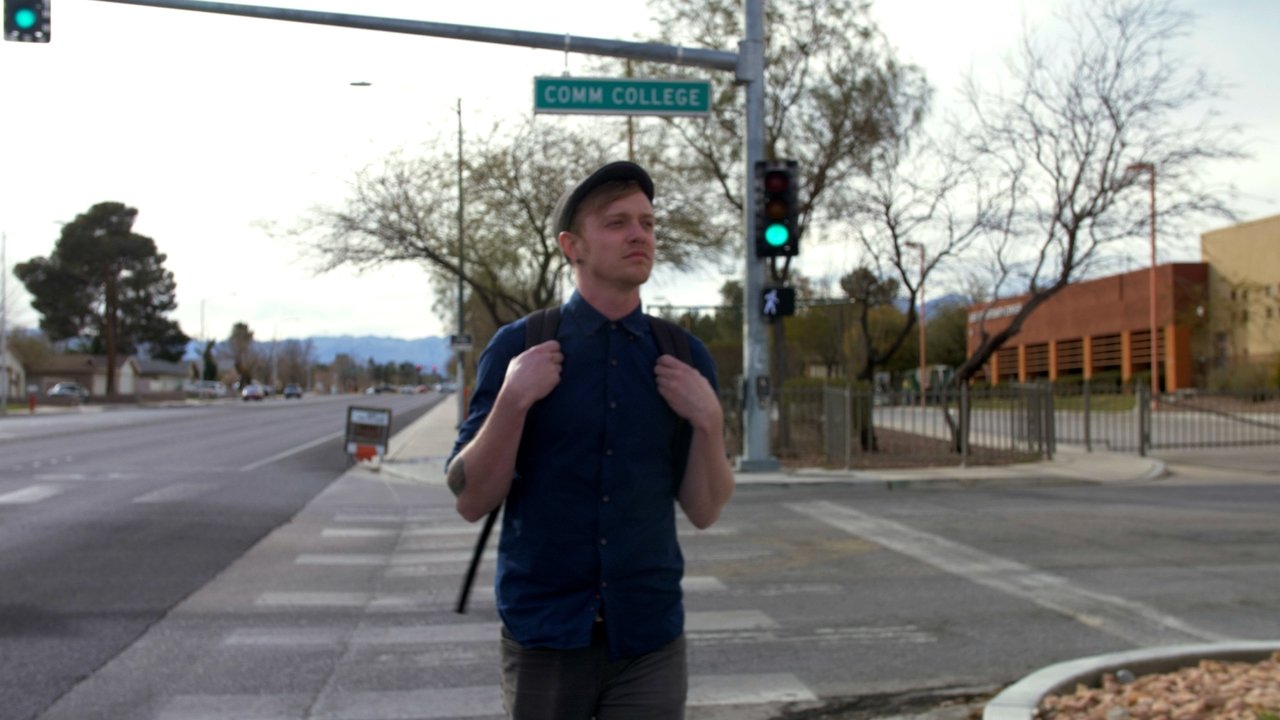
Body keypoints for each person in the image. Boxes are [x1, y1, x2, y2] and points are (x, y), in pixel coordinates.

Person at [446, 160, 735, 719]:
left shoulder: (682, 357)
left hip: (648, 637)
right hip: (545, 634)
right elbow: (470, 499)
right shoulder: (520, 348)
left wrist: (710, 421)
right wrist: (512, 400)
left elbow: (704, 510)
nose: (639, 235)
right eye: (617, 222)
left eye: (647, 223)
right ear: (571, 246)